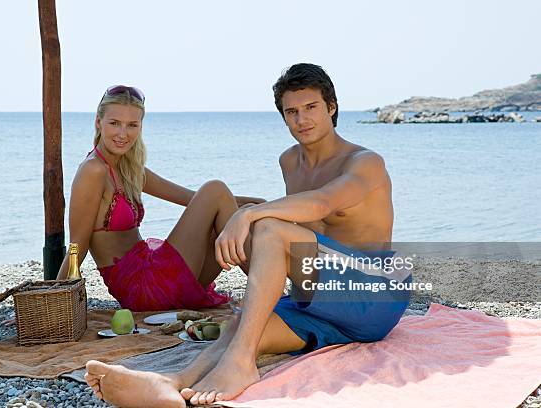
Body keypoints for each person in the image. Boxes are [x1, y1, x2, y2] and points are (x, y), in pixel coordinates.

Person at [83, 64, 411, 407]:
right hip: (324, 307)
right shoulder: (289, 161)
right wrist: (246, 214)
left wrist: (250, 214)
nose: (302, 119)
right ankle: (169, 381)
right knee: (245, 325)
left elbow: (322, 203)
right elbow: (303, 226)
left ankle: (240, 366)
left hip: (374, 292)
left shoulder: (364, 162)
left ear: (331, 107)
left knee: (269, 229)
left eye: (311, 108)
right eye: (292, 112)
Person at [56, 85, 264, 312]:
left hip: (154, 271)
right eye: (114, 123)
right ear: (98, 122)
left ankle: (282, 288)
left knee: (243, 210)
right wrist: (53, 300)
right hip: (141, 288)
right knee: (216, 188)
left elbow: (191, 198)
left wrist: (258, 205)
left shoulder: (129, 167)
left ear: (140, 127)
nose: (123, 134)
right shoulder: (93, 171)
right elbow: (77, 246)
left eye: (132, 125)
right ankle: (265, 292)